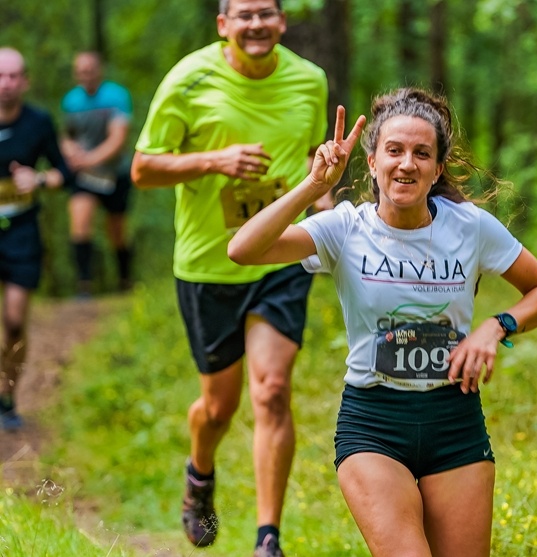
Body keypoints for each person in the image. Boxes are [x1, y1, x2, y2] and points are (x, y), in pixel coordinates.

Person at [228, 88, 537, 557]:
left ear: (437, 169)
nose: (407, 163)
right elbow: (243, 250)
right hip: (373, 424)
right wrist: (312, 186)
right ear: (372, 162)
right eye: (395, 151)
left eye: (421, 153)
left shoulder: (470, 227)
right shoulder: (344, 228)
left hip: (455, 423)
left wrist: (496, 325)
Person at [130, 1, 329, 555]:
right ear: (223, 26)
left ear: (282, 21)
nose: (256, 24)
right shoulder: (189, 79)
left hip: (279, 259)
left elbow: (315, 161)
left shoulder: (309, 80)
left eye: (266, 12)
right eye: (243, 15)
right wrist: (213, 161)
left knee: (272, 390)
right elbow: (143, 167)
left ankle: (268, 538)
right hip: (208, 264)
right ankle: (200, 474)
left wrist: (332, 224)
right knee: (219, 406)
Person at [0, 47, 68, 430]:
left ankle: (7, 395)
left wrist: (38, 180)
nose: (6, 84)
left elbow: (63, 174)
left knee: (12, 322)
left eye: (13, 76)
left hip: (22, 233)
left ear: (24, 81)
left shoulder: (38, 123)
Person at [61, 51, 133, 296]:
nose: (86, 76)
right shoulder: (71, 101)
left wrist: (88, 159)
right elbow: (68, 136)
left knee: (116, 231)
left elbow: (118, 138)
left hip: (114, 174)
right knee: (80, 223)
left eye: (90, 70)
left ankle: (125, 280)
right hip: (85, 177)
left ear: (99, 70)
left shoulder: (117, 96)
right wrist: (71, 153)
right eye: (81, 71)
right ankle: (84, 284)